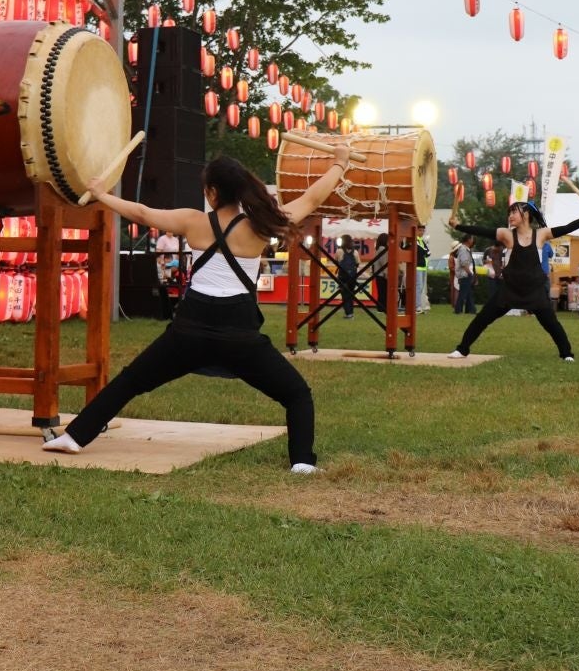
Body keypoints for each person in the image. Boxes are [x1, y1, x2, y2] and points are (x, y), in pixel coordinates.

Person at [42, 149, 355, 471]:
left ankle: (74, 437)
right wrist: (340, 162)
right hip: (239, 335)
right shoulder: (262, 226)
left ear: (213, 192)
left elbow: (142, 213)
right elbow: (313, 199)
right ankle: (302, 462)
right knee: (297, 394)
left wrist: (100, 194)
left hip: (189, 330)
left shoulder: (193, 221)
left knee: (130, 381)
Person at [447, 179, 579, 360]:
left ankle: (566, 354)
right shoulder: (506, 234)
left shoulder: (541, 234)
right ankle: (462, 349)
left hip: (534, 289)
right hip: (510, 289)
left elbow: (567, 228)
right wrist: (458, 225)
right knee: (483, 318)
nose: (510, 216)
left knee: (551, 324)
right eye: (510, 212)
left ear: (526, 214)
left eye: (514, 212)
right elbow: (482, 230)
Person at [336, 235, 359, 319]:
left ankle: (348, 313)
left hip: (343, 277)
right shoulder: (355, 252)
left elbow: (337, 261)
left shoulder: (339, 251)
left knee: (345, 295)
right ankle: (351, 313)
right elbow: (357, 264)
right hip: (353, 277)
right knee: (351, 295)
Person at [453, 234, 476, 313]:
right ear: (468, 240)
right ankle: (458, 310)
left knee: (469, 293)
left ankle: (471, 310)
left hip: (466, 274)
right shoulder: (463, 249)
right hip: (465, 274)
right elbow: (464, 263)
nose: (473, 240)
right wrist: (469, 273)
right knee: (463, 293)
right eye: (472, 238)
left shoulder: (466, 249)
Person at [415, 226, 430, 313]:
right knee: (418, 286)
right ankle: (417, 306)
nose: (422, 232)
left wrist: (425, 251)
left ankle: (419, 305)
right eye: (420, 230)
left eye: (423, 231)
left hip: (423, 266)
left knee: (421, 287)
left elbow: (428, 252)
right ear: (416, 230)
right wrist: (425, 251)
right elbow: (423, 251)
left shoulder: (422, 241)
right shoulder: (414, 240)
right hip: (417, 267)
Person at [373, 231, 390, 312]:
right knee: (383, 292)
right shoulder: (383, 249)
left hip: (378, 274)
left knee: (381, 292)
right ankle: (382, 308)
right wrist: (386, 274)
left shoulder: (378, 249)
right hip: (382, 275)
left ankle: (380, 307)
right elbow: (384, 263)